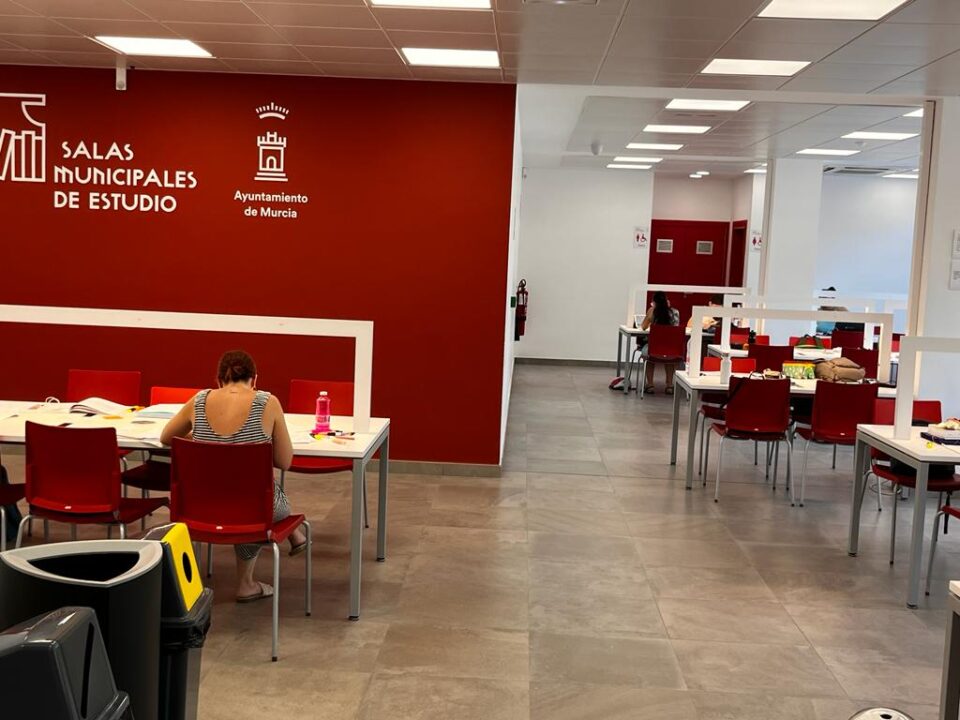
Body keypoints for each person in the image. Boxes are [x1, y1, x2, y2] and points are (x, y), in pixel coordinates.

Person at [160, 350, 307, 603]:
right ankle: (246, 582)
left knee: (245, 501)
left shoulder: (199, 400)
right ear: (255, 379)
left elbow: (166, 437)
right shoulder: (267, 402)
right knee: (262, 502)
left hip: (201, 507)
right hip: (252, 510)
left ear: (218, 380)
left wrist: (202, 442)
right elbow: (284, 461)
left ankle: (293, 538)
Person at [640, 291, 680, 394]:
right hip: (671, 349)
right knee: (669, 357)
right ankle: (669, 385)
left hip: (654, 349)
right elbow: (676, 329)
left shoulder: (652, 311)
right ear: (667, 301)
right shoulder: (675, 312)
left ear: (654, 302)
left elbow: (643, 327)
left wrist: (650, 313)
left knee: (648, 355)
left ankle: (650, 385)